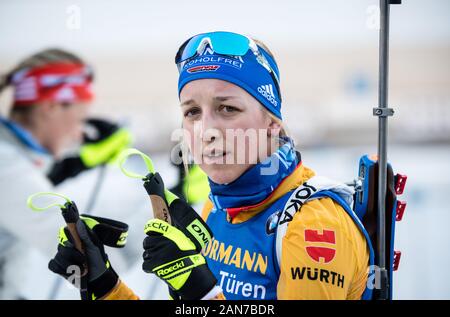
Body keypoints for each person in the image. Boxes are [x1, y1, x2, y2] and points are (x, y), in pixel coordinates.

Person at [48, 32, 374, 300]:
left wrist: (200, 293)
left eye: (228, 108)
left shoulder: (313, 225)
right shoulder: (218, 207)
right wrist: (105, 286)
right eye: (192, 112)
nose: (207, 131)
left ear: (272, 124)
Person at [0, 48, 139, 299]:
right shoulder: (7, 165)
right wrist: (170, 201)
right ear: (52, 106)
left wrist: (79, 162)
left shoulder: (9, 157)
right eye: (79, 119)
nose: (78, 134)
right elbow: (91, 258)